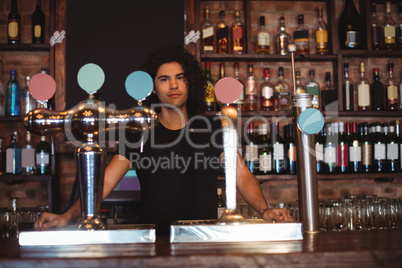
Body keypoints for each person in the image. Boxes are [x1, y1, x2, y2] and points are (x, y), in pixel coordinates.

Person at [34, 46, 291, 232]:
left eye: (180, 78)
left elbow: (242, 176)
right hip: (156, 240)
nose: (174, 86)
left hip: (206, 237)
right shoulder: (139, 132)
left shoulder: (214, 128)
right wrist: (67, 216)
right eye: (165, 79)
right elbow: (103, 185)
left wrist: (265, 210)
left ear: (191, 83)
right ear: (153, 88)